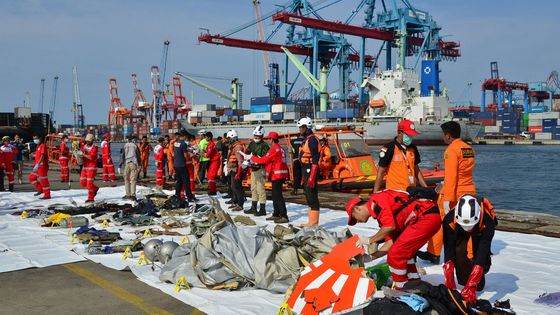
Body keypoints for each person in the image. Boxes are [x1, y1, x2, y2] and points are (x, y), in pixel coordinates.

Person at [345, 189, 441, 290]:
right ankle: (414, 283)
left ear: (357, 209)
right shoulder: (381, 214)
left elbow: (389, 227)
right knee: (403, 254)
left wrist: (369, 240)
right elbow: (390, 243)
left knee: (395, 256)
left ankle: (402, 290)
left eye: (354, 218)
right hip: (427, 218)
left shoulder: (377, 200)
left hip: (425, 218)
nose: (357, 222)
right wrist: (370, 257)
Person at [419, 121, 477, 264]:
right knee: (468, 224)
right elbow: (463, 173)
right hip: (469, 191)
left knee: (439, 222)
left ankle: (434, 253)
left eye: (443, 134)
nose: (442, 137)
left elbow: (452, 176)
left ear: (448, 135)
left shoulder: (451, 151)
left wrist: (447, 199)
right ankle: (471, 254)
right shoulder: (468, 149)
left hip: (455, 193)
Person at [442, 195, 495, 304]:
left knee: (479, 286)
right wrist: (449, 273)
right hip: (458, 232)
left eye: (469, 226)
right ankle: (464, 273)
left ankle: (478, 276)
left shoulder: (488, 222)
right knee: (462, 280)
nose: (467, 229)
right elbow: (449, 247)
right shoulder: (448, 219)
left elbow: (483, 249)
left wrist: (473, 281)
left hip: (478, 234)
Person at [373, 119, 427, 192]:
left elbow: (417, 170)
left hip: (411, 192)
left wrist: (427, 190)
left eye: (411, 135)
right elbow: (381, 171)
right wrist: (375, 193)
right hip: (394, 193)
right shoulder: (389, 148)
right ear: (399, 133)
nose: (410, 137)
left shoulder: (413, 148)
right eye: (408, 135)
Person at [248, 131, 290, 223]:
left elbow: (264, 160)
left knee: (278, 196)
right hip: (280, 174)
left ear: (272, 139)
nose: (267, 140)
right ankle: (276, 214)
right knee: (275, 195)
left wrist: (252, 158)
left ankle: (284, 216)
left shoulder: (274, 149)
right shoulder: (280, 148)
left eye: (268, 139)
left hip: (277, 175)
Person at [298, 117, 321, 226]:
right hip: (306, 169)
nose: (299, 130)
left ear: (305, 127)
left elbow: (315, 159)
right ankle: (310, 221)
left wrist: (312, 176)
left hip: (311, 169)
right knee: (308, 195)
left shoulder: (312, 140)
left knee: (312, 195)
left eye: (300, 128)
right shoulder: (306, 139)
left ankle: (314, 222)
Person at [244, 125, 270, 216]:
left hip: (261, 169)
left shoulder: (265, 145)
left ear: (262, 136)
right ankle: (253, 207)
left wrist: (258, 160)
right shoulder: (252, 143)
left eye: (258, 136)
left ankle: (262, 209)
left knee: (260, 189)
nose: (256, 137)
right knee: (253, 188)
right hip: (253, 170)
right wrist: (246, 160)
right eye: (255, 136)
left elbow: (267, 158)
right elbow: (247, 152)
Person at [226, 129, 245, 212]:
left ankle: (240, 204)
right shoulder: (233, 146)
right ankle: (235, 201)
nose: (228, 140)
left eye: (229, 138)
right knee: (233, 186)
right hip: (232, 169)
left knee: (237, 187)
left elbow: (240, 161)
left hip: (236, 170)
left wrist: (239, 172)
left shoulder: (237, 147)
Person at [119, 135, 142, 200]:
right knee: (133, 180)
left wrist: (120, 165)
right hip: (133, 163)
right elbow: (138, 156)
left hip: (126, 163)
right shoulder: (135, 146)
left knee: (126, 179)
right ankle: (133, 195)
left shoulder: (124, 145)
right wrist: (140, 165)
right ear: (133, 140)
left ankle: (127, 194)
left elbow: (122, 156)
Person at [28, 135, 50, 199]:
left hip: (42, 166)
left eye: (36, 138)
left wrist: (38, 164)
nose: (35, 140)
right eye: (34, 139)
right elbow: (39, 155)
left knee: (43, 180)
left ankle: (47, 195)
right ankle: (40, 190)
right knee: (31, 177)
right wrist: (33, 155)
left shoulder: (43, 145)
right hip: (37, 166)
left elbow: (43, 155)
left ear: (40, 138)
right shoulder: (38, 146)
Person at [173, 131, 193, 202]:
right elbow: (185, 155)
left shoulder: (175, 143)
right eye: (186, 137)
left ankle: (177, 195)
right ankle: (189, 197)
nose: (186, 139)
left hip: (176, 164)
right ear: (184, 136)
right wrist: (191, 155)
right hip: (182, 165)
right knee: (186, 181)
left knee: (179, 181)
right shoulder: (183, 144)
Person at [80, 133, 99, 203]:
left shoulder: (94, 148)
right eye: (86, 140)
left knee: (89, 184)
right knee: (82, 182)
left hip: (92, 167)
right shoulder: (84, 146)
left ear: (92, 141)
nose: (87, 142)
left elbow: (91, 157)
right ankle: (95, 188)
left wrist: (83, 154)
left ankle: (91, 198)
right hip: (85, 166)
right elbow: (82, 153)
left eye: (88, 141)